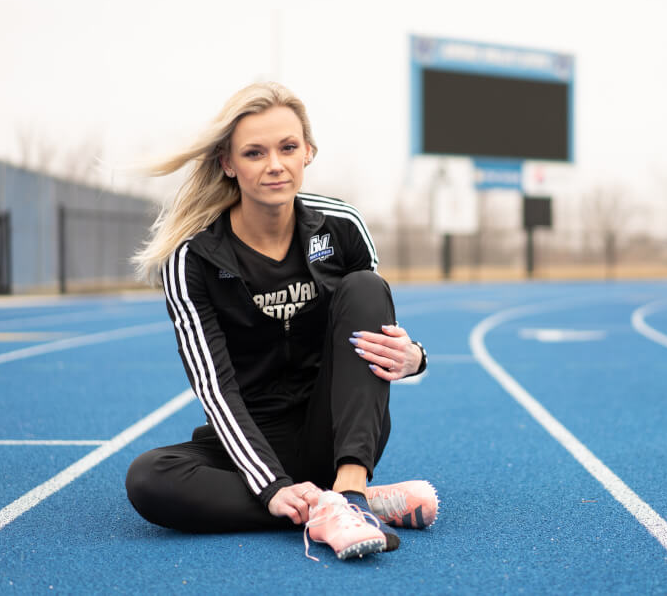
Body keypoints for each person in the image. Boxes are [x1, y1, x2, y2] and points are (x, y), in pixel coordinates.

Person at [125, 82, 438, 561]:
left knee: (365, 287)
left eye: (288, 147)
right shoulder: (192, 258)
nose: (275, 164)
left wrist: (415, 359)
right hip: (250, 439)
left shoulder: (341, 227)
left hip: (333, 432)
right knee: (149, 479)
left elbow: (373, 322)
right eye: (254, 152)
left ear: (308, 152)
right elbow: (215, 389)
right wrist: (269, 484)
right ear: (228, 163)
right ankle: (334, 505)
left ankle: (350, 493)